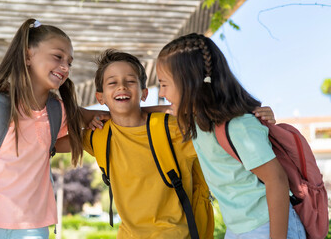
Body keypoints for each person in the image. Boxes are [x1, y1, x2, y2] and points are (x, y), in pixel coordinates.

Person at [63, 49, 276, 238]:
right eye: (112, 83)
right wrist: (88, 114)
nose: (122, 87)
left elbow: (215, 121)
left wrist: (250, 115)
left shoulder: (173, 128)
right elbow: (47, 138)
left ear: (144, 93)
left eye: (130, 81)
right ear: (100, 97)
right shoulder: (98, 135)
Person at [156, 33, 306, 239]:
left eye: (164, 84)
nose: (162, 92)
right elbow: (158, 111)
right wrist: (111, 113)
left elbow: (277, 181)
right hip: (238, 229)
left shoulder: (237, 126)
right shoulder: (198, 120)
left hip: (268, 226)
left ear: (190, 82)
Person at [0, 18, 101, 239]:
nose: (65, 67)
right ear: (28, 55)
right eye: (58, 56)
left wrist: (169, 109)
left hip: (33, 226)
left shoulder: (58, 110)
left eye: (69, 62)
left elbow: (117, 115)